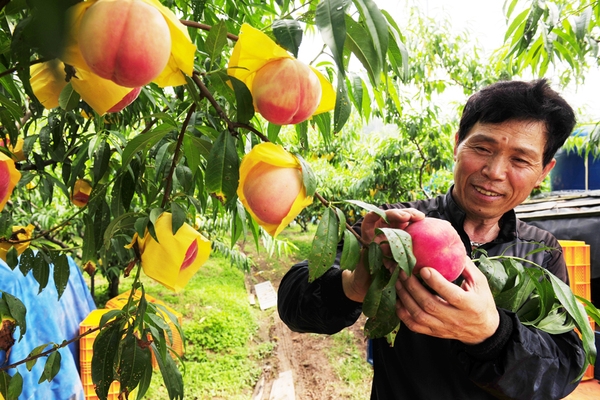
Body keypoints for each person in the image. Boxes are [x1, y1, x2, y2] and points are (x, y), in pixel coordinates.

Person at [277, 79, 586, 399]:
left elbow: (564, 367)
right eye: (482, 148)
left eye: (520, 160)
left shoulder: (540, 252)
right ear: (457, 144)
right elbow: (293, 301)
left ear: (544, 171)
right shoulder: (392, 228)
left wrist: (493, 334)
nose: (494, 171)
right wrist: (354, 284)